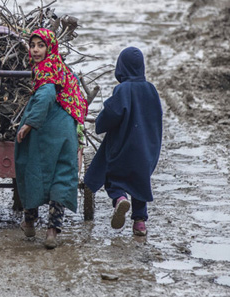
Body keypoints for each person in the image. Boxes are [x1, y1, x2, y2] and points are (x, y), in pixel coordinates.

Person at [15, 28, 88, 249]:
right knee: (62, 175)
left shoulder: (46, 69)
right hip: (67, 130)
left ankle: (29, 222)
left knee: (32, 168)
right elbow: (78, 102)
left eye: (41, 45)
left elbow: (46, 94)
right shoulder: (64, 70)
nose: (36, 50)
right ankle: (52, 232)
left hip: (46, 128)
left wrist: (29, 124)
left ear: (51, 48)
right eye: (33, 45)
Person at [83, 47, 162, 236]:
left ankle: (119, 200)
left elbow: (112, 113)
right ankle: (140, 223)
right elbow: (156, 118)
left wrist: (99, 123)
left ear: (121, 67)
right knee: (140, 183)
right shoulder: (151, 90)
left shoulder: (122, 90)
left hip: (123, 147)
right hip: (146, 148)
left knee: (114, 177)